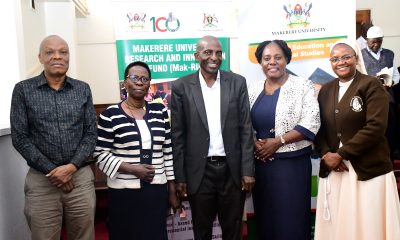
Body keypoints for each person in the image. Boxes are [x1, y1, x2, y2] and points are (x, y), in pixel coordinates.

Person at [10, 35, 97, 240]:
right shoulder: (23, 90)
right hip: (42, 181)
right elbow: (20, 137)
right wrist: (53, 171)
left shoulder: (82, 89)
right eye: (50, 52)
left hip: (80, 179)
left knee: (84, 236)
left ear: (68, 57)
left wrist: (72, 167)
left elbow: (91, 133)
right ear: (40, 57)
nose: (57, 56)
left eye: (63, 52)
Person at [170, 35, 255, 240]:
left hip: (232, 171)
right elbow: (178, 135)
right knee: (201, 230)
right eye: (208, 52)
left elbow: (245, 128)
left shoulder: (237, 82)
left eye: (218, 53)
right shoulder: (181, 86)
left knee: (233, 229)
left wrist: (248, 170)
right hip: (199, 172)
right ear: (197, 55)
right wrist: (180, 176)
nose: (214, 57)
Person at [314, 40, 400, 239]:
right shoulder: (325, 90)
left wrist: (341, 154)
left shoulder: (371, 85)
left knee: (368, 224)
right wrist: (327, 154)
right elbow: (317, 127)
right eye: (335, 59)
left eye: (346, 57)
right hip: (337, 169)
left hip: (368, 169)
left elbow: (376, 127)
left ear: (356, 59)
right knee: (341, 226)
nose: (341, 62)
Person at [93, 61, 180, 240]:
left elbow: (167, 151)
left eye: (144, 79)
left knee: (155, 235)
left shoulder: (159, 111)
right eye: (134, 78)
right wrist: (132, 169)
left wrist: (171, 189)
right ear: (125, 82)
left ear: (149, 84)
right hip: (124, 192)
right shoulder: (110, 115)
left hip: (156, 191)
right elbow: (100, 154)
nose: (140, 82)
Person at [247, 39, 320, 240]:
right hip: (261, 167)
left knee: (291, 222)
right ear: (260, 62)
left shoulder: (302, 85)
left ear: (287, 59)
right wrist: (254, 142)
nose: (272, 62)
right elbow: (244, 124)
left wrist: (277, 142)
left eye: (278, 57)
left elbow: (311, 122)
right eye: (267, 58)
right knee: (266, 221)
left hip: (292, 166)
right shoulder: (252, 89)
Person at [361, 25, 400, 160]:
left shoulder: (389, 54)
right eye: (373, 41)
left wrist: (391, 83)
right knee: (372, 129)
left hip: (387, 98)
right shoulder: (360, 55)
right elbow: (358, 77)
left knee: (389, 129)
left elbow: (396, 75)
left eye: (379, 41)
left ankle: (389, 156)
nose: (376, 44)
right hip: (369, 100)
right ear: (367, 40)